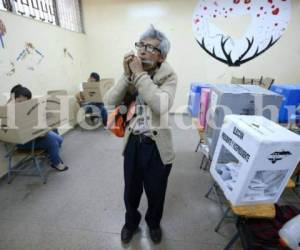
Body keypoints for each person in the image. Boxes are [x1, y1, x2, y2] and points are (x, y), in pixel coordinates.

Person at [105, 25, 177, 244]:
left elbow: (160, 104)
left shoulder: (169, 77)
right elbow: (110, 101)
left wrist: (139, 75)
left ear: (162, 56)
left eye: (150, 48)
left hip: (157, 146)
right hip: (134, 143)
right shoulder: (131, 73)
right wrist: (127, 77)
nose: (142, 51)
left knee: (156, 192)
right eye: (140, 45)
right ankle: (131, 222)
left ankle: (153, 223)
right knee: (131, 191)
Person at [10, 86, 68, 172]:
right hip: (24, 142)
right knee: (53, 142)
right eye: (20, 101)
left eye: (27, 101)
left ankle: (50, 153)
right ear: (13, 99)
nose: (23, 104)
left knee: (59, 139)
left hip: (36, 135)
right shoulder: (9, 113)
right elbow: (17, 134)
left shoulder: (29, 109)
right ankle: (56, 163)